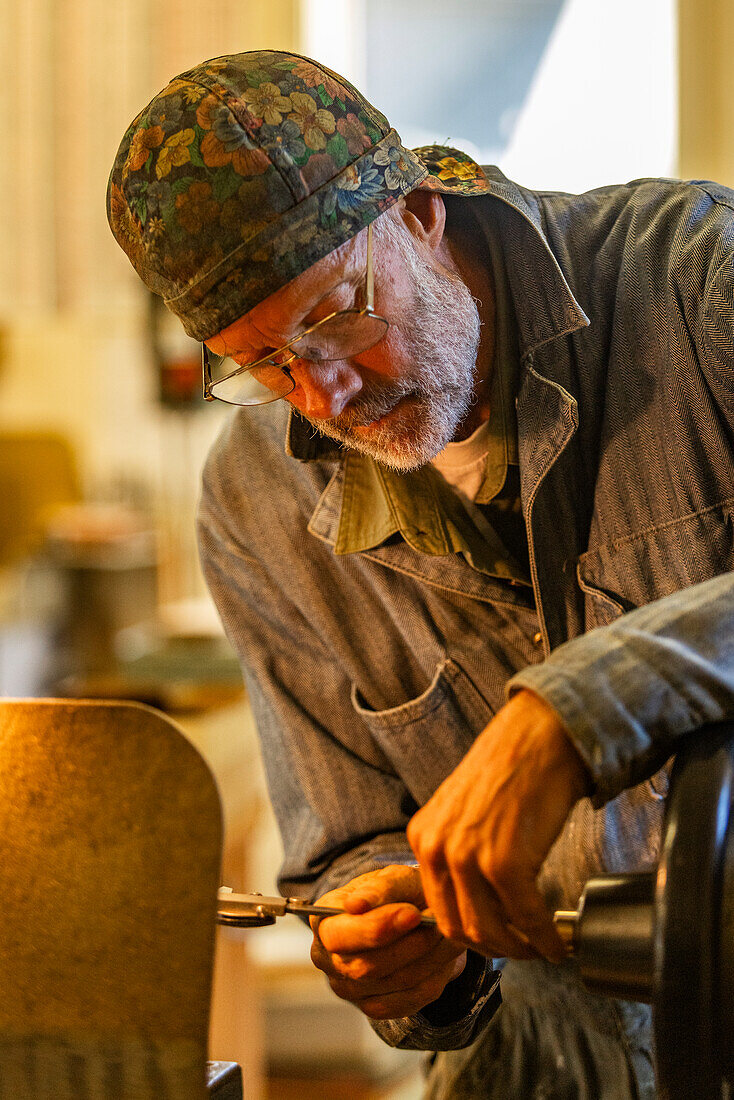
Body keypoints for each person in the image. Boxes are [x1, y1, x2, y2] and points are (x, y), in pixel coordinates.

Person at [107, 50, 734, 1098]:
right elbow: (344, 848)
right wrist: (391, 949)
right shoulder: (258, 502)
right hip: (544, 1059)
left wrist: (576, 710)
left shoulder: (699, 287)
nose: (323, 392)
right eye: (263, 363)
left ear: (418, 210)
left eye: (329, 315)